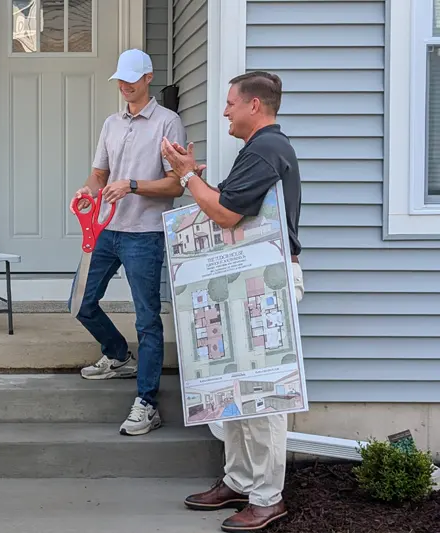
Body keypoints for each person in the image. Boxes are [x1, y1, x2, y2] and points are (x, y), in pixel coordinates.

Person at [161, 71, 304, 532]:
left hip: (269, 282)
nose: (224, 111)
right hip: (248, 280)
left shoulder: (266, 150)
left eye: (229, 103)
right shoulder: (258, 151)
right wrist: (194, 179)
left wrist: (186, 177)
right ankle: (240, 481)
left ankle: (267, 497)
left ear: (254, 106)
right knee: (238, 390)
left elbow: (224, 214)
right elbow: (224, 198)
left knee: (263, 394)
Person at [69, 48, 186, 436]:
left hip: (145, 235)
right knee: (82, 303)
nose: (124, 85)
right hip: (105, 230)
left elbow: (176, 184)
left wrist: (133, 185)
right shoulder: (111, 124)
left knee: (147, 320)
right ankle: (118, 355)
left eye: (131, 79)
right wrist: (88, 192)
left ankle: (147, 403)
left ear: (148, 77)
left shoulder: (168, 123)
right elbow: (99, 174)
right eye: (120, 79)